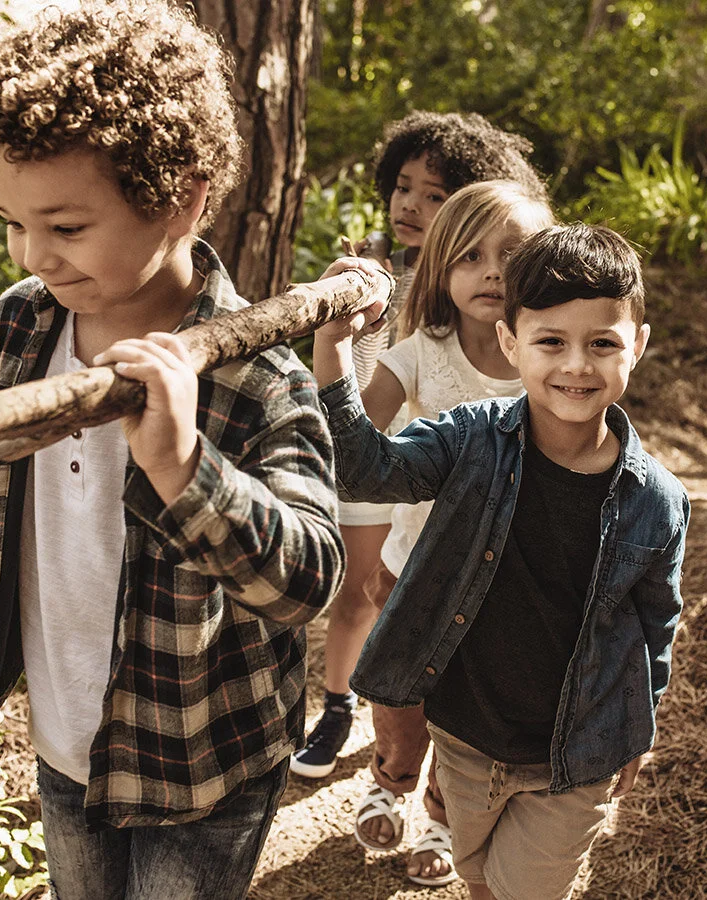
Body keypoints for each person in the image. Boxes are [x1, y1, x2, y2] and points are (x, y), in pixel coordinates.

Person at [0, 3, 345, 898]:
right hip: (66, 735)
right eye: (13, 222)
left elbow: (309, 580)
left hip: (203, 759)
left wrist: (183, 466)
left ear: (183, 198)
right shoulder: (20, 325)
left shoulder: (256, 377)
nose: (34, 255)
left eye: (66, 228)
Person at [313, 223, 690, 900]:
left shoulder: (657, 501)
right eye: (551, 342)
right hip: (464, 735)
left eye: (602, 344)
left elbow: (655, 623)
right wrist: (335, 344)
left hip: (575, 752)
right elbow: (364, 471)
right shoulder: (470, 440)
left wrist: (640, 726)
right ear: (512, 342)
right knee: (479, 876)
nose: (577, 365)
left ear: (636, 345)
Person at [291, 111, 549, 782]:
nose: (411, 204)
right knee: (369, 608)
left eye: (434, 195)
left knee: (465, 689)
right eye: (403, 187)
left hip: (490, 552)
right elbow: (360, 430)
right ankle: (353, 724)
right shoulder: (376, 271)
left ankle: (440, 798)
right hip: (398, 492)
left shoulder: (542, 346)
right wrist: (342, 325)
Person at [347, 181, 555, 888]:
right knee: (400, 699)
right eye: (470, 256)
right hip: (413, 570)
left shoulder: (548, 356)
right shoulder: (420, 352)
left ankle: (441, 814)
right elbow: (359, 433)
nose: (492, 272)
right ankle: (391, 774)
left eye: (512, 255)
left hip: (505, 584)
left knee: (466, 717)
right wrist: (348, 340)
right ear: (440, 266)